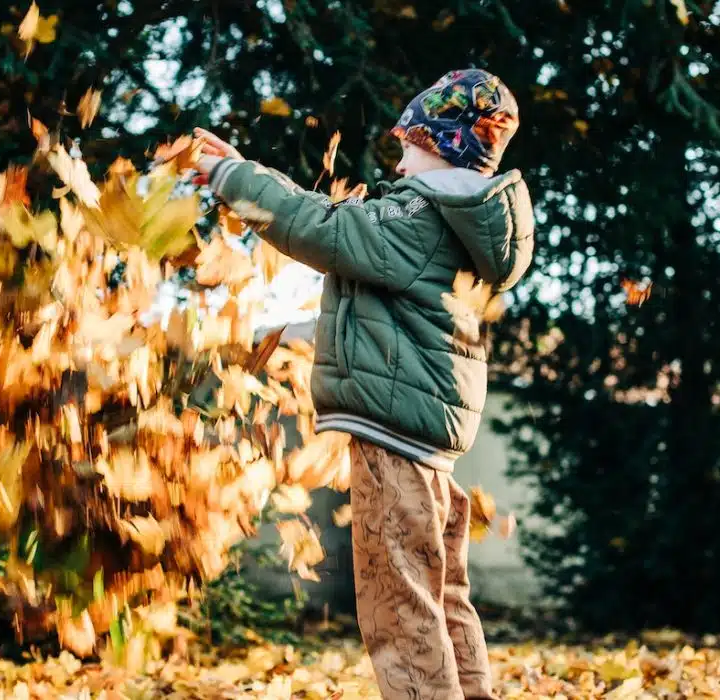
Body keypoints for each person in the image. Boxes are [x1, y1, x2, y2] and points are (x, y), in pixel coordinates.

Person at [194, 69, 533, 699]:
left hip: (395, 438)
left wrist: (233, 178)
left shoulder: (421, 213)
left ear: (441, 150)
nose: (399, 164)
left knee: (396, 600)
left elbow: (323, 227)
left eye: (408, 148)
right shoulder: (461, 228)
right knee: (441, 592)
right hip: (429, 440)